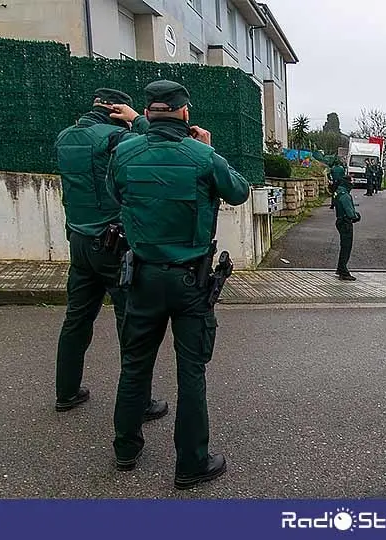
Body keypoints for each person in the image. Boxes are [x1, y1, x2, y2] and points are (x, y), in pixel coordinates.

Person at [106, 80, 250, 489]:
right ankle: (191, 463)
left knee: (134, 364)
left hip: (142, 277)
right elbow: (238, 191)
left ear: (148, 112)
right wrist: (211, 147)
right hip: (191, 281)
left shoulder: (124, 152)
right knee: (191, 371)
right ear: (185, 114)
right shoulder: (203, 155)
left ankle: (125, 448)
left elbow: (114, 193)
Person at [53, 88, 168, 422]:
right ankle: (140, 401)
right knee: (129, 321)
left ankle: (66, 391)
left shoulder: (64, 138)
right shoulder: (117, 138)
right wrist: (138, 120)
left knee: (76, 318)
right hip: (113, 243)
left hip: (78, 240)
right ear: (117, 109)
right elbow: (155, 143)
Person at [334, 175, 361, 280]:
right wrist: (356, 216)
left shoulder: (338, 191)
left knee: (344, 246)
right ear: (347, 182)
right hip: (345, 222)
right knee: (346, 247)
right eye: (351, 181)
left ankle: (340, 268)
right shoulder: (345, 195)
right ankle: (343, 271)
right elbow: (350, 212)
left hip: (340, 220)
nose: (352, 183)